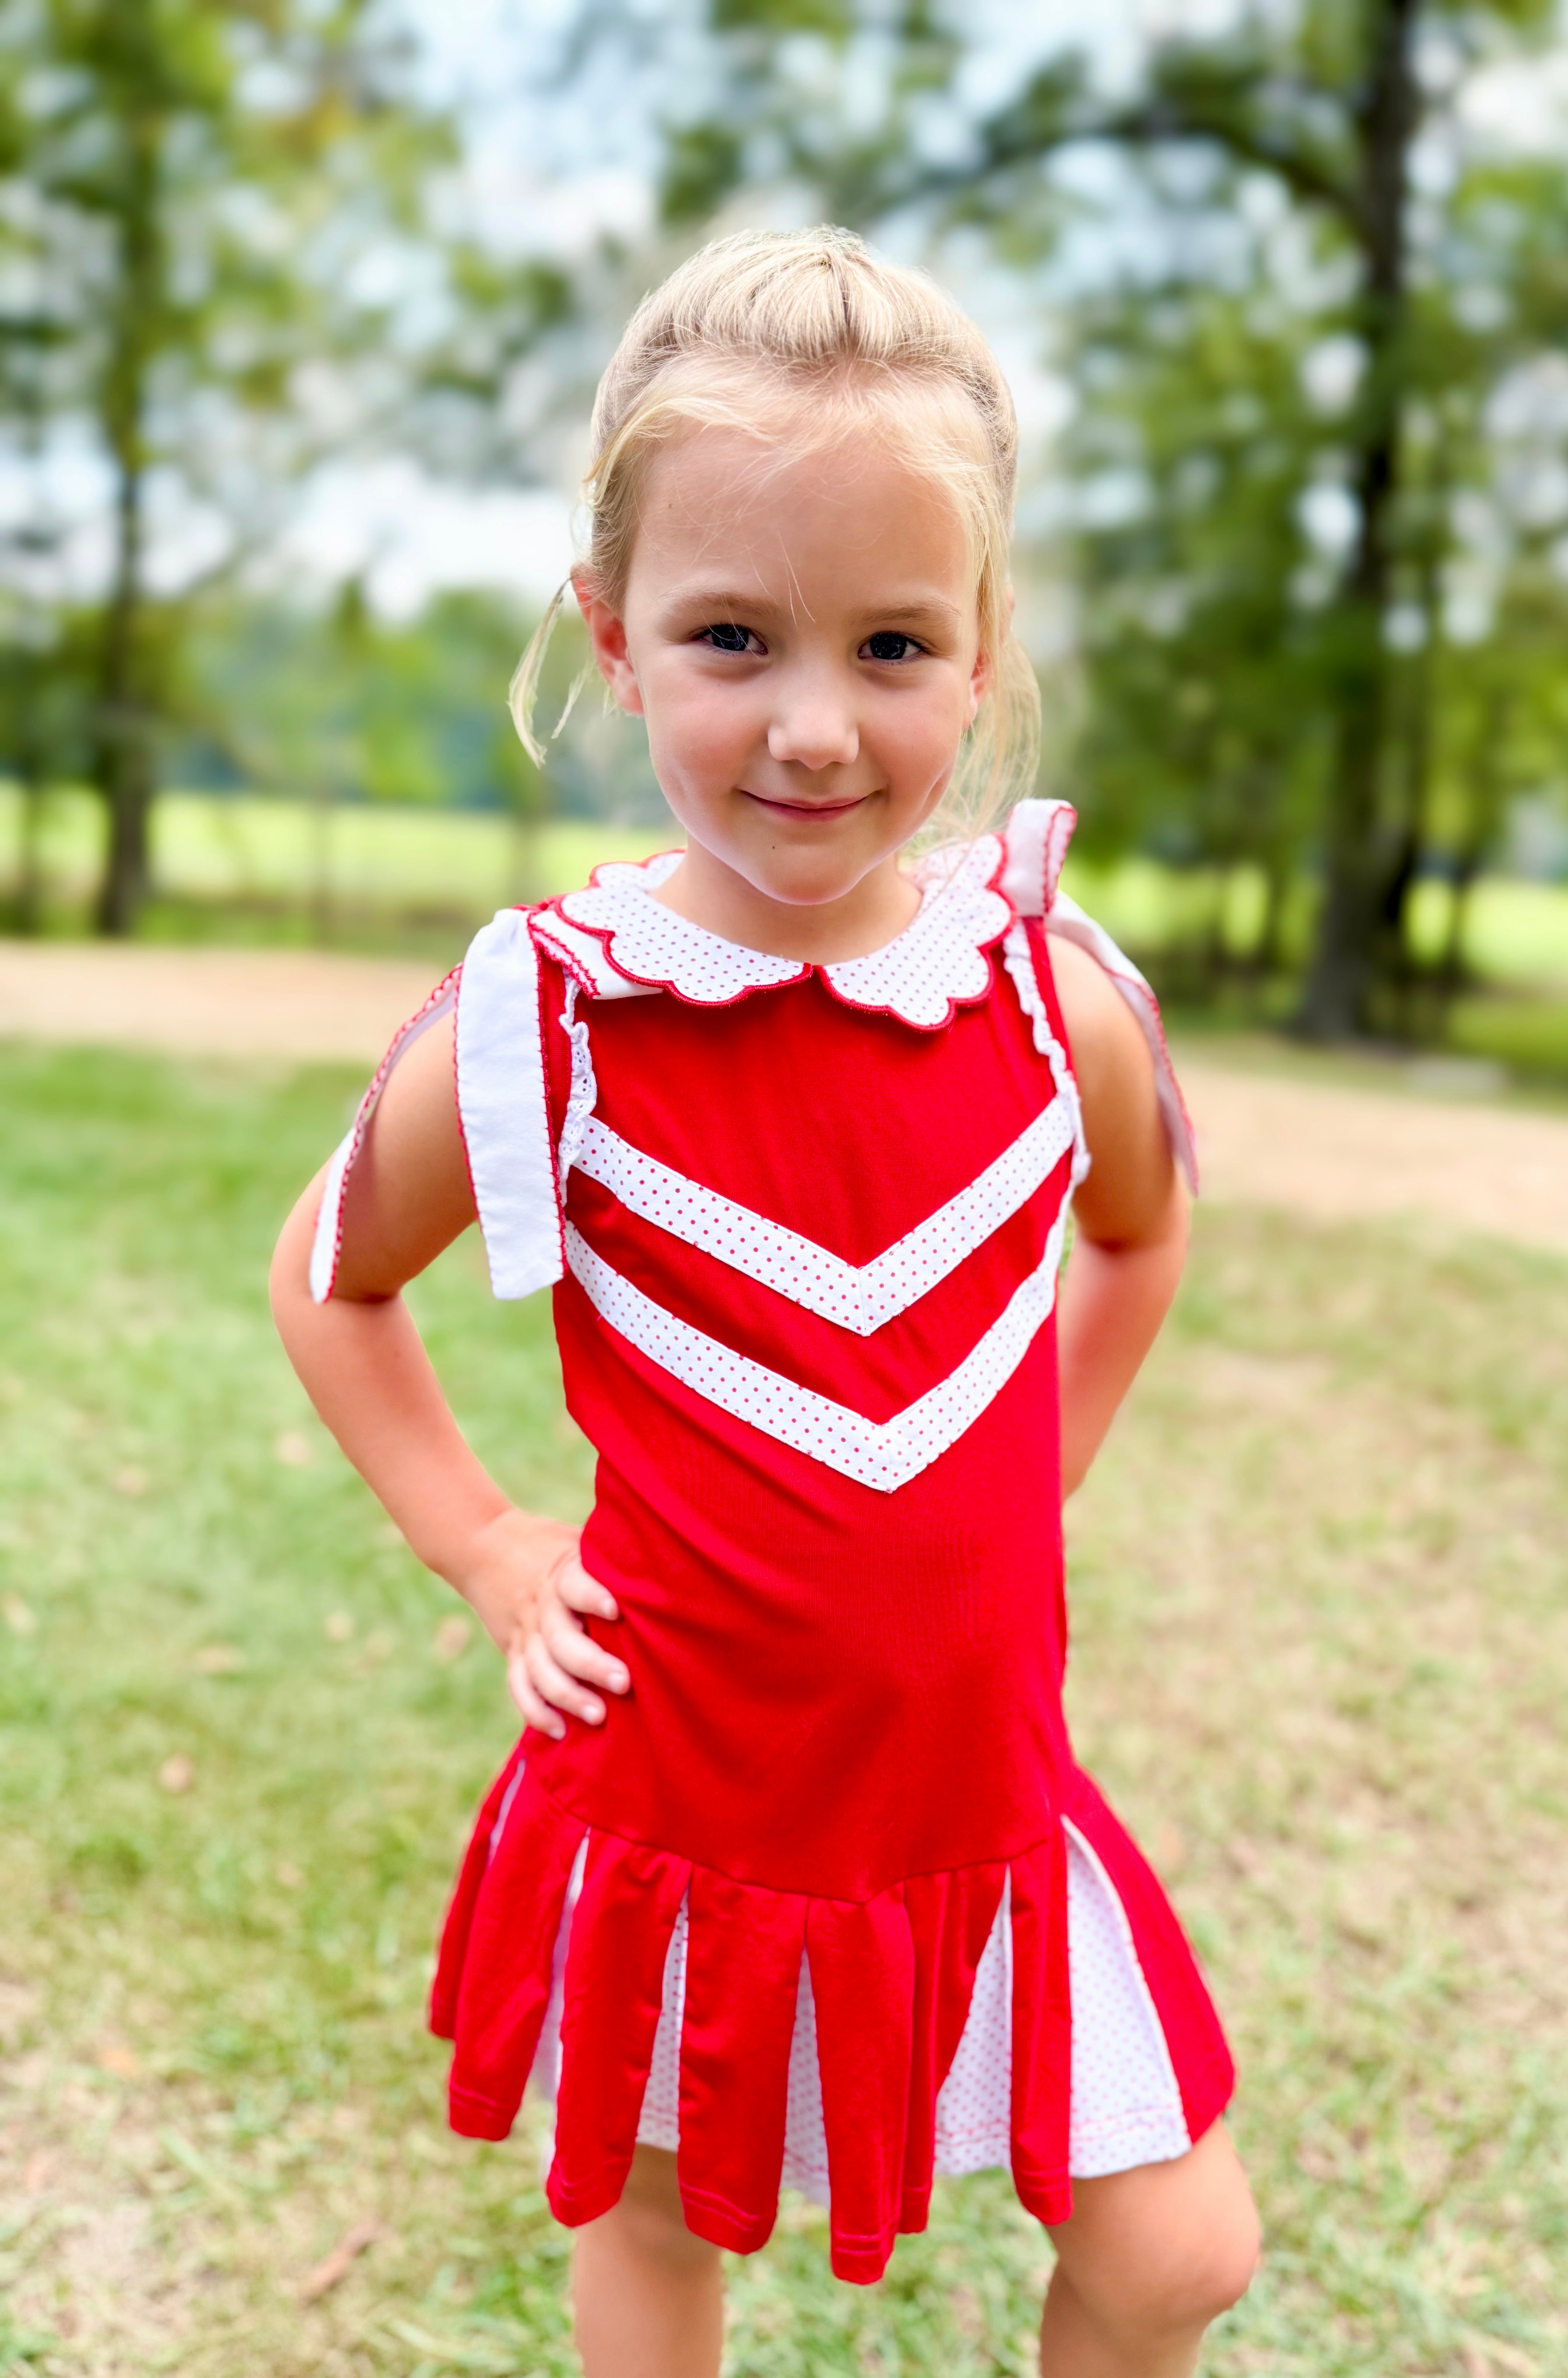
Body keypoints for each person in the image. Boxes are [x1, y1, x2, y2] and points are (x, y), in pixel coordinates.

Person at [271, 227, 1260, 2378]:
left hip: (977, 1804)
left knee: (1179, 2247)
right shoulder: (555, 1018)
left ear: (985, 657)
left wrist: (1035, 1472)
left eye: (893, 642)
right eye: (734, 636)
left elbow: (1144, 1228)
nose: (814, 724)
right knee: (656, 2220)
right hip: (679, 1800)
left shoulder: (1047, 992)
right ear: (615, 640)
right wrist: (488, 1542)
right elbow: (328, 1276)